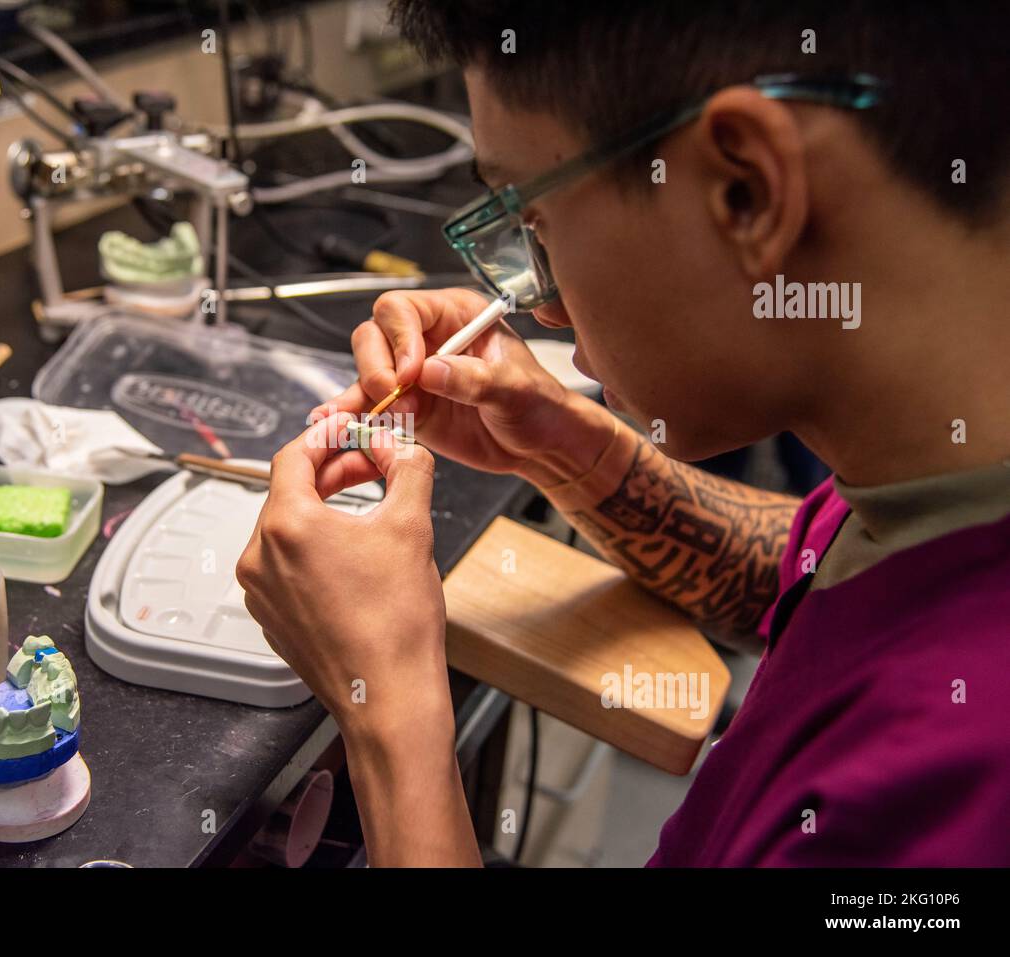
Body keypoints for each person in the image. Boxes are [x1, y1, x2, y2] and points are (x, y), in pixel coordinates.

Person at [236, 1, 1010, 866]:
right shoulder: (938, 470)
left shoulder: (947, 799)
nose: (544, 303)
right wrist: (566, 444)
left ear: (746, 189)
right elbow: (810, 569)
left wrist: (388, 707)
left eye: (533, 219)